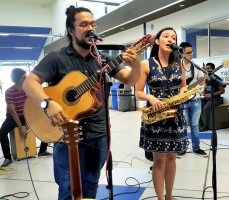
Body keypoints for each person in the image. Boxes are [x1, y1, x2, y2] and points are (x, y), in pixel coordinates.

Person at [22, 6, 141, 200]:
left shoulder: (103, 59)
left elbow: (130, 80)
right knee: (68, 188)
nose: (90, 28)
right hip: (66, 134)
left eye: (93, 24)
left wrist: (135, 65)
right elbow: (29, 83)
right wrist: (48, 103)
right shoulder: (56, 58)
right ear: (71, 30)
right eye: (84, 24)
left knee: (91, 185)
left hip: (98, 133)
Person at [136, 27, 188, 200]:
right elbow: (138, 92)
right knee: (159, 160)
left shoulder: (179, 63)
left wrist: (184, 94)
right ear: (157, 41)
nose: (170, 39)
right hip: (156, 117)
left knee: (172, 158)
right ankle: (160, 198)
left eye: (173, 37)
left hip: (176, 116)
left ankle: (169, 196)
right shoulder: (146, 64)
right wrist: (150, 97)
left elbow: (183, 86)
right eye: (166, 36)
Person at [0, 68, 51, 168]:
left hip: (27, 115)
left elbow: (32, 107)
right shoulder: (9, 92)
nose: (26, 78)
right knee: (2, 132)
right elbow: (12, 111)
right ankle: (7, 158)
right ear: (17, 79)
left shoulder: (28, 90)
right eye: (24, 77)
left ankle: (42, 150)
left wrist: (27, 124)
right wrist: (21, 128)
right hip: (14, 117)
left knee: (46, 124)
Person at [178, 42, 207, 157]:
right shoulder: (177, 67)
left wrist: (203, 82)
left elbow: (202, 83)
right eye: (188, 53)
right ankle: (182, 147)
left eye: (192, 52)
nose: (191, 55)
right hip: (182, 101)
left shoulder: (197, 66)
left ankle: (196, 148)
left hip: (196, 100)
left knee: (195, 125)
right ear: (181, 53)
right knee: (183, 125)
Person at [199, 62, 225, 132]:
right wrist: (203, 94)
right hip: (206, 98)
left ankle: (206, 126)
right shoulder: (205, 79)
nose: (207, 70)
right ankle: (200, 124)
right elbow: (205, 89)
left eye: (209, 68)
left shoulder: (216, 78)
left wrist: (211, 95)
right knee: (198, 105)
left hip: (215, 98)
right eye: (206, 69)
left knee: (206, 108)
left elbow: (222, 91)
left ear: (213, 69)